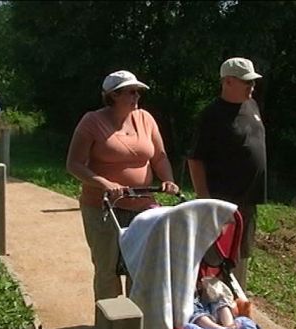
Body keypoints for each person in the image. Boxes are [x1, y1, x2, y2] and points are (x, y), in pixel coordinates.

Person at [66, 70, 180, 301]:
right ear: (114, 95)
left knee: (140, 266)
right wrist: (105, 183)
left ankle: (136, 323)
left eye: (138, 92)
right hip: (103, 208)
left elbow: (159, 156)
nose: (136, 96)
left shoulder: (145, 119)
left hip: (143, 207)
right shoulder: (92, 121)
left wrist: (168, 180)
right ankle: (110, 328)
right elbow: (74, 164)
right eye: (130, 92)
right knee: (107, 268)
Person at [188, 57, 267, 293]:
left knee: (241, 259)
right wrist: (205, 201)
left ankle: (236, 313)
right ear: (228, 82)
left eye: (252, 81)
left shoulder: (251, 106)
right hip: (222, 203)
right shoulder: (211, 116)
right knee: (217, 261)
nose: (252, 86)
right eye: (246, 82)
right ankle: (214, 314)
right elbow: (195, 159)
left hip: (248, 202)